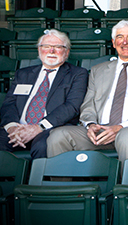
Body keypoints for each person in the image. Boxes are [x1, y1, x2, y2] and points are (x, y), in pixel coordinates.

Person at [47, 21, 128, 162]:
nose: (125, 42)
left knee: (126, 137)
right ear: (114, 43)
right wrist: (90, 125)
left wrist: (119, 127)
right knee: (57, 136)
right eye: (120, 37)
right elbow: (88, 104)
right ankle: (60, 184)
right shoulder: (99, 70)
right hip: (99, 131)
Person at [0, 30, 88, 159]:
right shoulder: (23, 74)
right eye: (46, 46)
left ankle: (35, 179)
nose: (51, 51)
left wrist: (39, 127)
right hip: (18, 127)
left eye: (58, 47)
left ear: (67, 52)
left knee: (43, 145)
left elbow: (72, 106)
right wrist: (12, 128)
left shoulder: (77, 74)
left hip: (51, 128)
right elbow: (9, 103)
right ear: (39, 50)